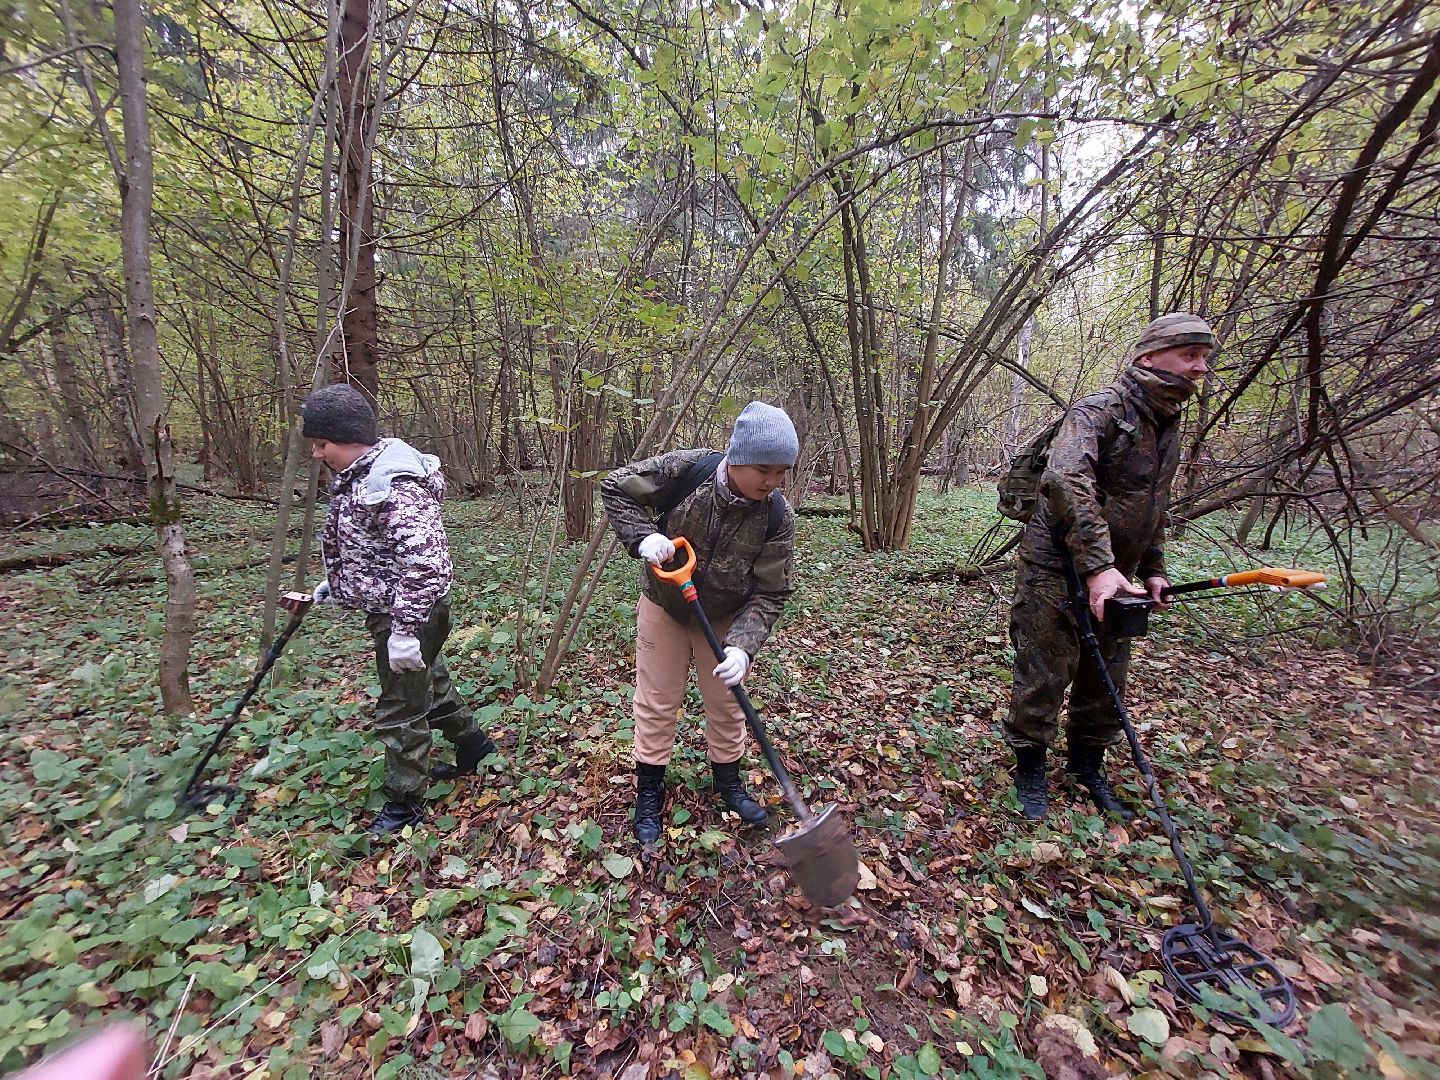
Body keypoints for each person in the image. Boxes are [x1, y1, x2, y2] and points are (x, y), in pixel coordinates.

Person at [1004, 314, 1216, 820]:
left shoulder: (1167, 423)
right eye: (1190, 355)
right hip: (1055, 567)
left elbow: (1150, 505)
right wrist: (1098, 566)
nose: (1201, 368)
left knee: (1108, 676)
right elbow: (1065, 482)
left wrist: (1154, 568)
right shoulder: (1097, 412)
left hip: (1117, 575)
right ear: (1149, 357)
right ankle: (1029, 767)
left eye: (1204, 357)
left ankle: (1086, 765)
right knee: (1046, 671)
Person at [600, 401, 799, 846]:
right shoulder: (688, 471)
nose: (772, 481)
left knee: (728, 705)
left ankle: (728, 784)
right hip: (666, 606)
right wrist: (643, 537)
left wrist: (743, 647)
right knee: (657, 700)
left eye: (782, 472)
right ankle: (648, 791)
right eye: (764, 469)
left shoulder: (777, 516)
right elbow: (615, 487)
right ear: (738, 457)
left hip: (726, 618)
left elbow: (773, 590)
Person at [301, 383, 496, 835]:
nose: (316, 453)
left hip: (410, 609)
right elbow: (371, 546)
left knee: (400, 708)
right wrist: (337, 583)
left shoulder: (393, 484)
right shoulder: (361, 475)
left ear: (349, 437)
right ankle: (474, 747)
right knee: (429, 681)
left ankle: (404, 802)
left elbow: (426, 564)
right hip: (395, 604)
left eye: (322, 443)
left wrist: (405, 629)